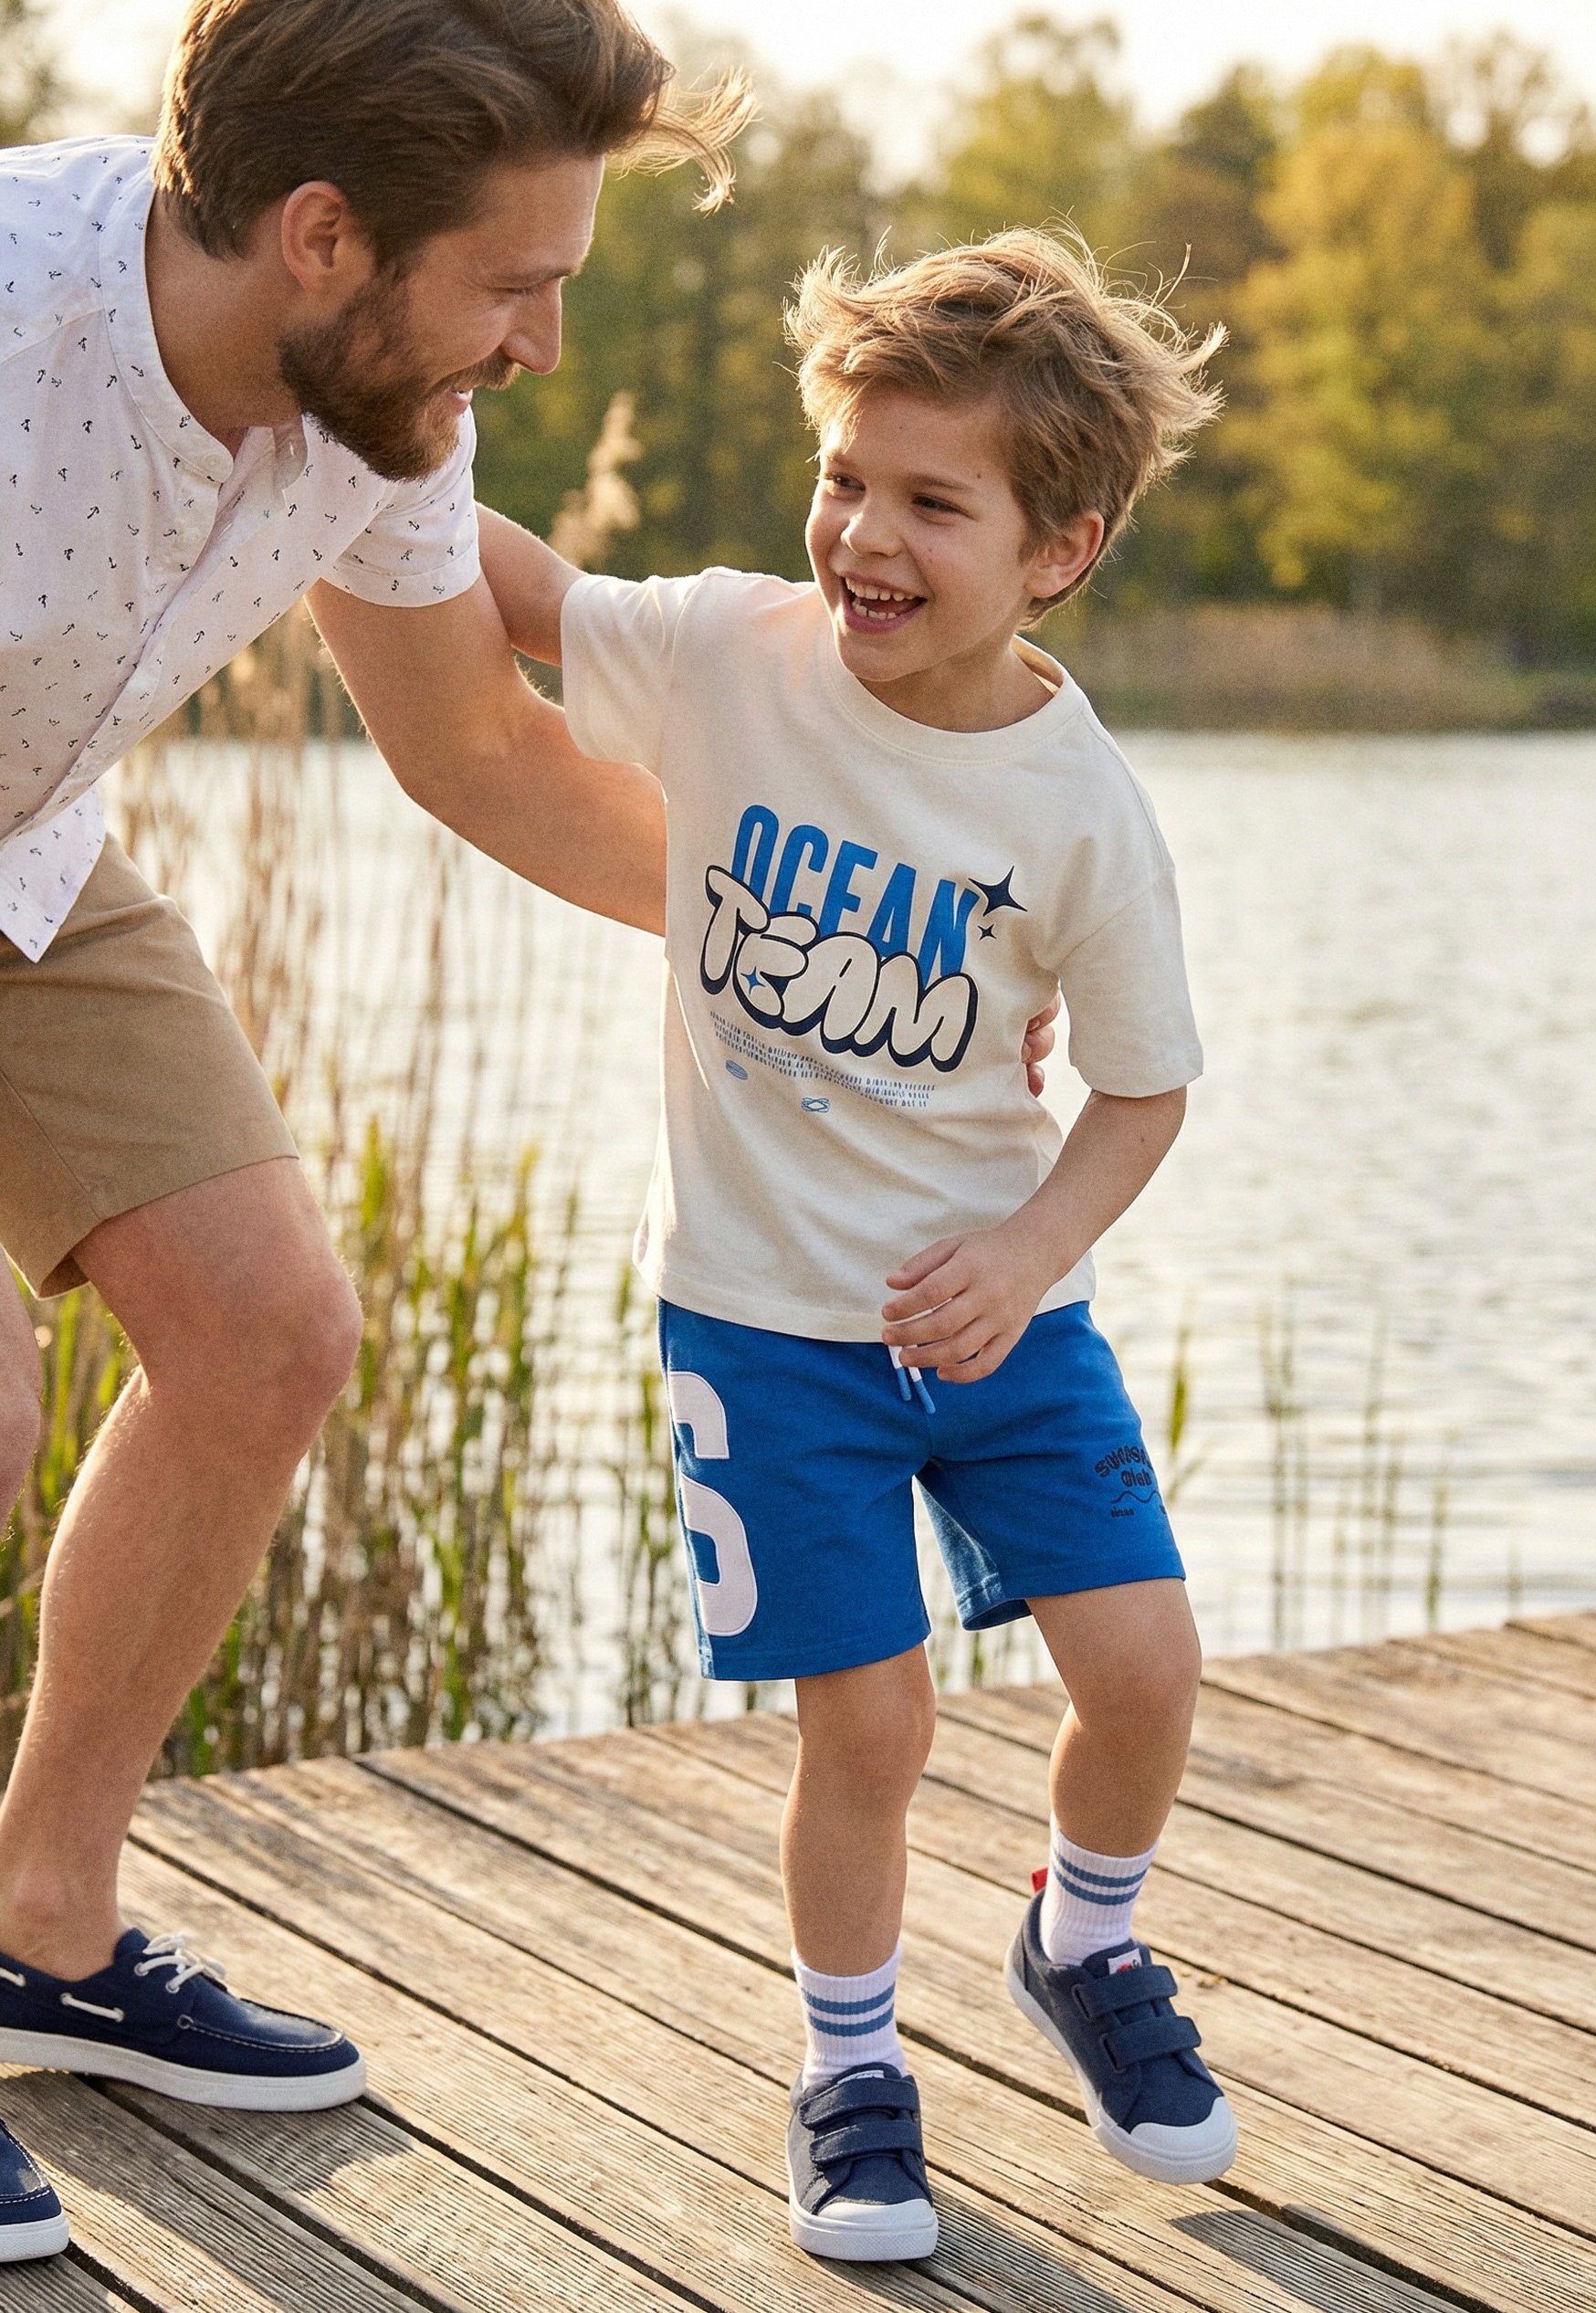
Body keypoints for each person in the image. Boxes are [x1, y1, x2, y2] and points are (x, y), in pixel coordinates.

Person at [0, 0, 753, 2265]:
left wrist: (816, 951)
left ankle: (40, 1921)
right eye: (515, 284)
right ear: (324, 234)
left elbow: (485, 760)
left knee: (264, 1331)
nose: (536, 343)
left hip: (27, 855)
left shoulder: (370, 402)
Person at [480, 227, 1236, 2264]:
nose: (860, 538)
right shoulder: (732, 652)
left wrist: (1029, 1246)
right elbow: (526, 592)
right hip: (765, 1326)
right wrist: (332, 448)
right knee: (871, 1721)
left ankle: (1080, 1945)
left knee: (1146, 1667)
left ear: (1058, 547)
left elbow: (1145, 1089)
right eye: (844, 478)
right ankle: (847, 2069)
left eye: (930, 503)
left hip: (1001, 1322)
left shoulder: (1079, 812)